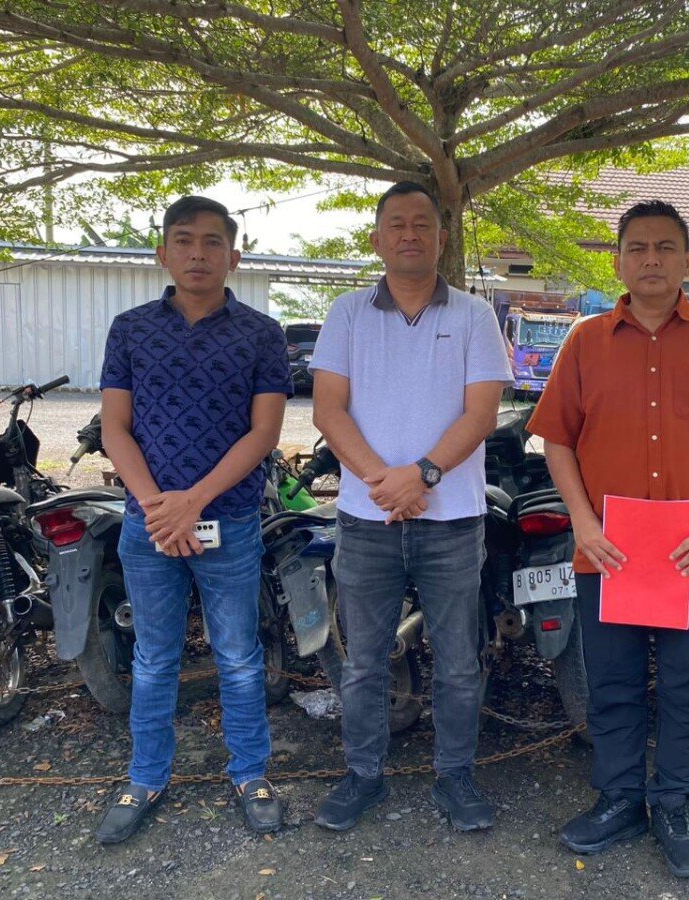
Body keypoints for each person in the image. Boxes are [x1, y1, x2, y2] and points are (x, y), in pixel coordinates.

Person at [527, 200, 689, 878]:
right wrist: (583, 522)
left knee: (687, 684)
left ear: (688, 260)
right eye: (638, 247)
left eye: (665, 247)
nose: (651, 258)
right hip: (609, 551)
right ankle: (619, 798)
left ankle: (673, 802)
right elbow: (557, 441)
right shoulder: (584, 343)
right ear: (618, 261)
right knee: (612, 681)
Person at [309, 181, 512, 832]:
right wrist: (384, 483)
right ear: (377, 238)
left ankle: (456, 777)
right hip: (366, 520)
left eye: (422, 224)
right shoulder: (346, 314)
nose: (409, 234)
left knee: (458, 662)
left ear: (442, 239)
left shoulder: (475, 316)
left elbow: (481, 413)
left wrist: (422, 475)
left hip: (452, 521)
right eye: (396, 224)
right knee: (364, 661)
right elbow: (328, 410)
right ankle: (362, 776)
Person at [95, 195, 292, 844]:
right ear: (163, 253)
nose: (198, 253)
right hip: (148, 525)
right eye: (184, 240)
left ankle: (251, 775)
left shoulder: (262, 334)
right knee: (154, 659)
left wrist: (193, 501)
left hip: (228, 522)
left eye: (213, 242)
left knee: (238, 656)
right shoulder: (130, 329)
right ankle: (146, 777)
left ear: (235, 256)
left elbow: (264, 433)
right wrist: (161, 507)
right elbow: (115, 428)